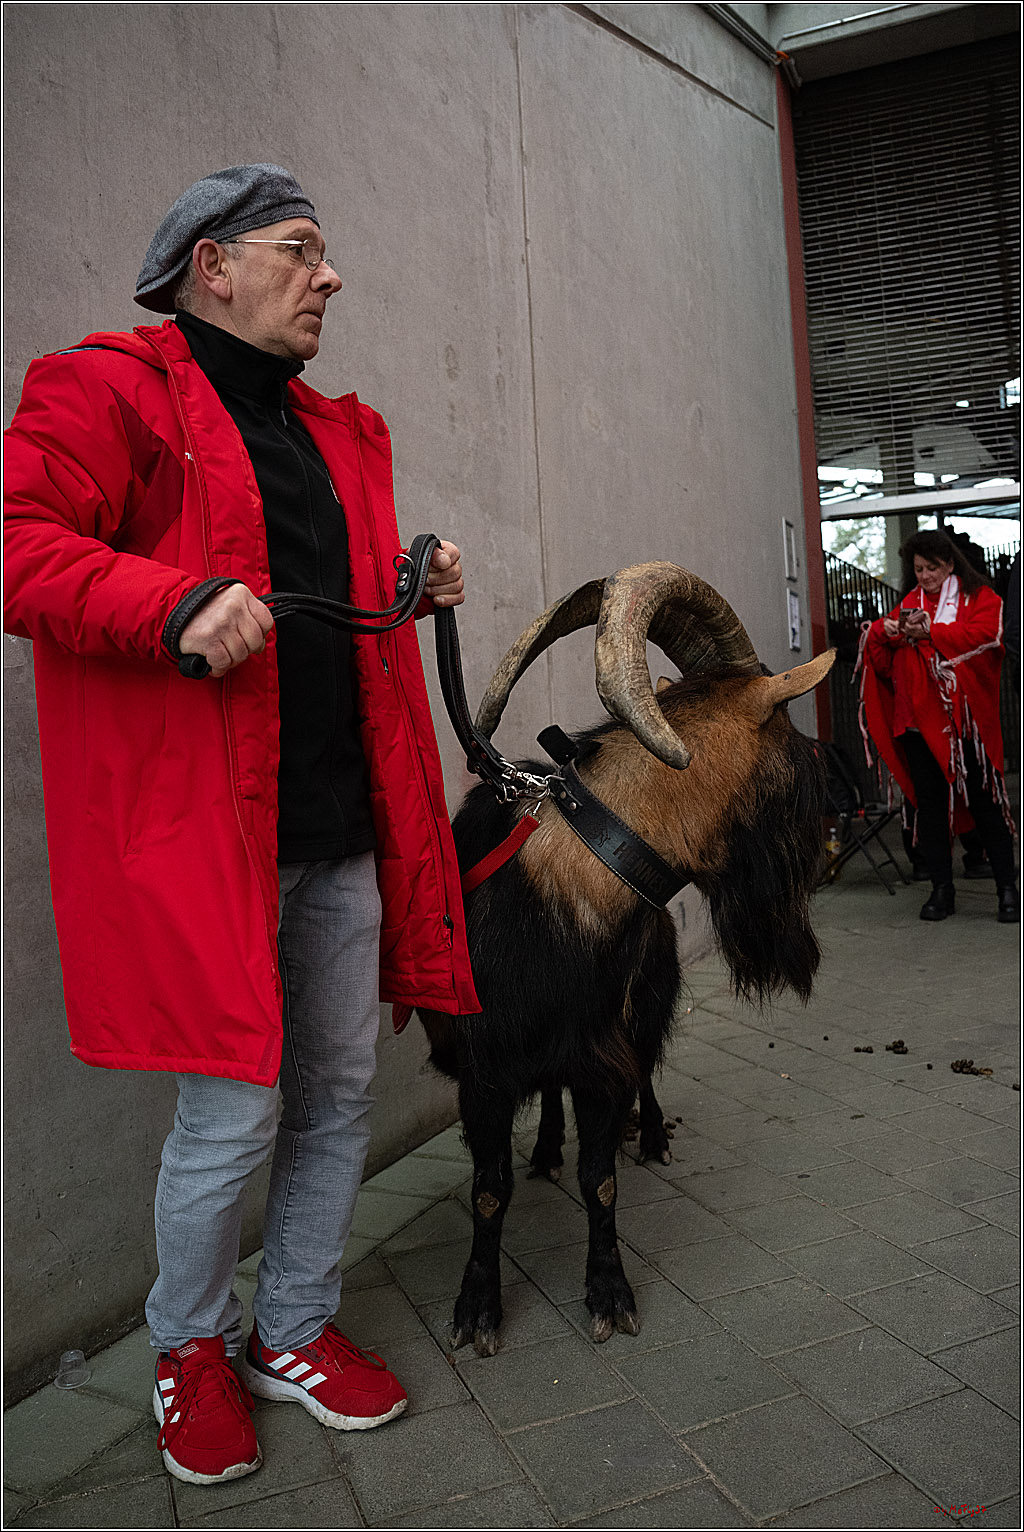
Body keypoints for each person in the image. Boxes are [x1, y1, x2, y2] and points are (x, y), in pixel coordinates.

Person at [4, 165, 482, 1486]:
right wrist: (166, 602)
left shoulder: (332, 431)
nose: (329, 276)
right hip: (208, 841)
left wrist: (411, 582)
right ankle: (188, 1350)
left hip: (340, 827)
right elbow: (20, 542)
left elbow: (326, 614)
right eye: (300, 249)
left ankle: (294, 1329)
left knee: (335, 1093)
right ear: (211, 266)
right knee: (231, 1115)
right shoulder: (103, 391)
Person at [860, 528, 1018, 924]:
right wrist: (882, 631)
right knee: (929, 810)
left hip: (965, 727)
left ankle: (1007, 890)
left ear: (949, 564)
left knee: (986, 805)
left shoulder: (979, 598)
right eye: (918, 569)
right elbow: (881, 665)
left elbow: (989, 638)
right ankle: (941, 891)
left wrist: (932, 631)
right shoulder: (908, 606)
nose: (925, 577)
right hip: (916, 726)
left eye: (932, 568)